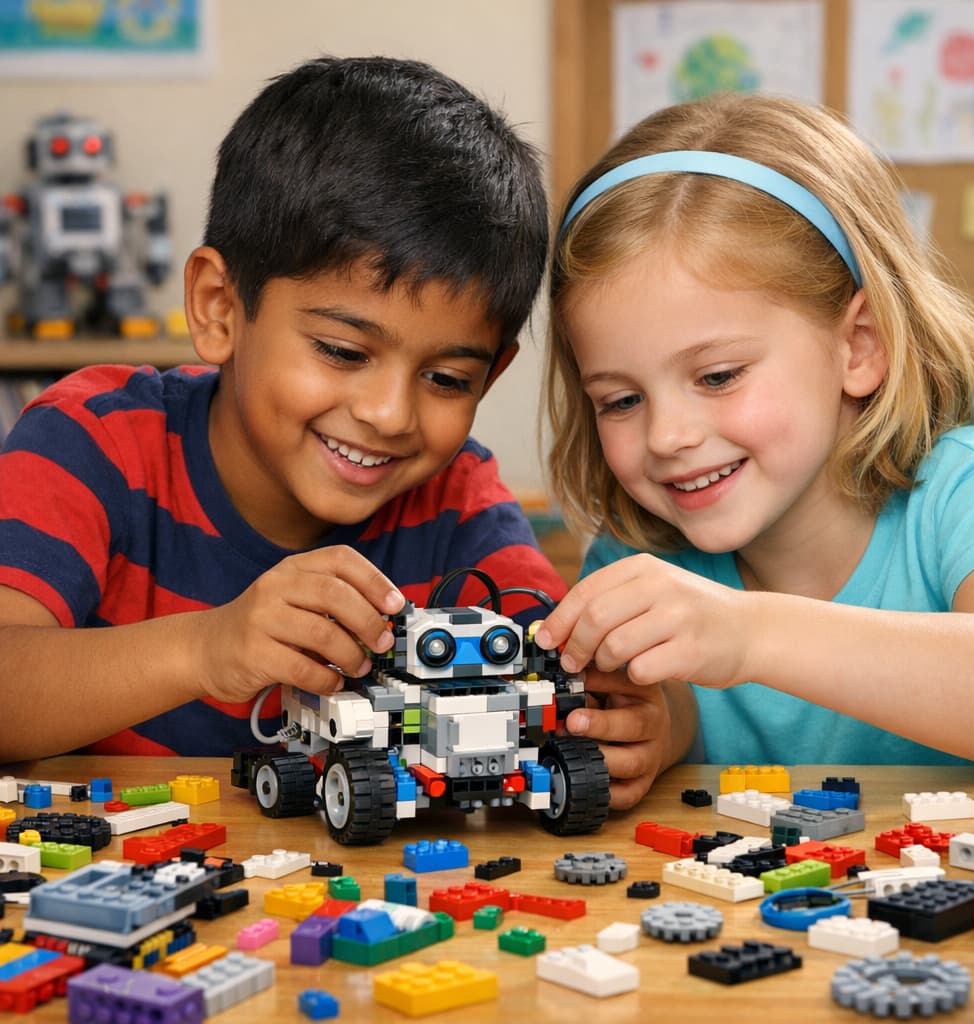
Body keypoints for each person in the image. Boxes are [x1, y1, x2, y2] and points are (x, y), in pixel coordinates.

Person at [0, 56, 567, 761]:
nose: (390, 414)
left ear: (490, 376)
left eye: (447, 379)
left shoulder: (457, 501)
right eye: (342, 351)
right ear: (220, 308)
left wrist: (641, 722)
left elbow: (561, 678)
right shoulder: (94, 441)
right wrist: (206, 648)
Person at [536, 91, 974, 807]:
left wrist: (751, 637)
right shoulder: (638, 559)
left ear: (860, 347)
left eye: (718, 376)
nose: (667, 436)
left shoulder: (972, 492)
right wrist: (655, 734)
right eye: (621, 400)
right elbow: (668, 711)